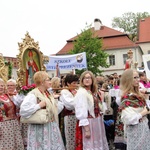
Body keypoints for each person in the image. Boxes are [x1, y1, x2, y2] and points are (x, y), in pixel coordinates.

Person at [20, 71, 65, 150]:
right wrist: (38, 106)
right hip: (40, 127)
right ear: (42, 82)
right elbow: (23, 111)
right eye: (48, 80)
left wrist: (55, 101)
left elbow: (55, 111)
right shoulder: (33, 94)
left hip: (50, 126)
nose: (50, 82)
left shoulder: (48, 94)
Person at [74, 70, 109, 150]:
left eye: (89, 78)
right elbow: (80, 111)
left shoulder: (93, 92)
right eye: (85, 78)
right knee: (90, 145)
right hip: (89, 122)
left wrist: (101, 98)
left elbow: (100, 109)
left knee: (98, 144)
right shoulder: (81, 93)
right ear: (82, 80)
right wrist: (87, 129)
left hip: (97, 121)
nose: (87, 80)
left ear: (92, 79)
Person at [119, 69, 150, 150]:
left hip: (143, 128)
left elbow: (147, 109)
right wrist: (142, 113)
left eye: (138, 77)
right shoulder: (126, 97)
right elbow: (128, 119)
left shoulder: (138, 94)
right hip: (135, 130)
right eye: (135, 77)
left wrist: (146, 99)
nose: (138, 80)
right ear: (128, 80)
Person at [0, 78, 24, 150]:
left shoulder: (7, 95)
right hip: (3, 126)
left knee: (16, 146)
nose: (1, 87)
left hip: (14, 124)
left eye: (2, 85)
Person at [59, 74, 79, 150]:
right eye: (74, 83)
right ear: (68, 83)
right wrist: (77, 97)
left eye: (76, 83)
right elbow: (69, 105)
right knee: (71, 138)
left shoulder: (75, 91)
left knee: (77, 137)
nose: (76, 85)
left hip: (78, 116)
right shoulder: (65, 91)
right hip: (70, 116)